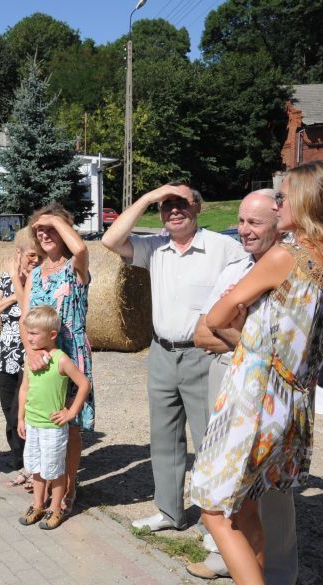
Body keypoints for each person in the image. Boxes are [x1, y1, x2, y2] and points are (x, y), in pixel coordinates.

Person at [192, 160, 323, 585]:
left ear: (308, 202)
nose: (278, 203)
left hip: (255, 397)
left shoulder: (287, 255)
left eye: (285, 196)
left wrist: (248, 341)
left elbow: (216, 317)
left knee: (214, 509)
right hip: (294, 400)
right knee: (247, 506)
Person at [102, 183, 244, 531]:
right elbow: (110, 240)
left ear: (198, 208)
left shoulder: (224, 248)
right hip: (161, 354)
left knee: (210, 439)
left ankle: (215, 525)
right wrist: (149, 197)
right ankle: (170, 513)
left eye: (182, 203)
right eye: (167, 206)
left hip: (205, 356)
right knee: (164, 439)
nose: (174, 211)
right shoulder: (155, 247)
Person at [187, 190, 299, 585]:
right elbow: (202, 332)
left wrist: (242, 339)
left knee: (272, 490)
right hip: (227, 377)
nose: (244, 231)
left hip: (267, 387)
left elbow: (288, 350)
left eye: (255, 223)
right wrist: (250, 342)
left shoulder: (293, 271)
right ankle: (233, 571)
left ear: (278, 224)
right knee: (229, 486)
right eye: (241, 221)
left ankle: (277, 583)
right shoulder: (235, 269)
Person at [13, 204, 94, 513]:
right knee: (41, 422)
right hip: (39, 358)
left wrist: (53, 219)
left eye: (51, 229)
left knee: (69, 425)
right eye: (40, 230)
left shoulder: (75, 267)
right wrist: (32, 352)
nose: (45, 234)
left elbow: (81, 248)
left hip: (70, 355)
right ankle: (44, 486)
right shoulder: (35, 274)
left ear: (63, 230)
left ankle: (69, 487)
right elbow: (25, 319)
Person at [16, 305, 91, 531]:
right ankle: (37, 504)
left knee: (55, 469)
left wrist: (71, 412)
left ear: (52, 335)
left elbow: (84, 384)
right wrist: (21, 418)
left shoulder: (61, 359)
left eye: (34, 333)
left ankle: (55, 508)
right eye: (28, 333)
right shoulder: (30, 359)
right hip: (33, 424)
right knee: (37, 467)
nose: (29, 338)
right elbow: (24, 389)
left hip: (52, 427)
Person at [0, 227, 41, 483]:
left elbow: (28, 305)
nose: (35, 260)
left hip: (29, 352)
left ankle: (30, 461)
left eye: (38, 256)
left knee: (24, 407)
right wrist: (9, 299)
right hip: (6, 353)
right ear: (19, 253)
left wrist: (16, 289)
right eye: (31, 255)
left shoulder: (40, 279)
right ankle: (18, 457)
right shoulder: (6, 279)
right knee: (8, 407)